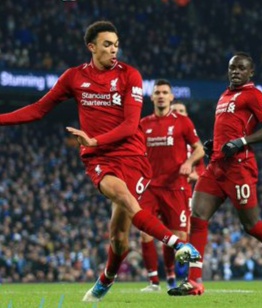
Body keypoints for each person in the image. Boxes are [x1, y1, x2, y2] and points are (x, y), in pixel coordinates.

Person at [0, 21, 200, 302]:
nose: (113, 50)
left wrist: (95, 139)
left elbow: (131, 125)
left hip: (133, 156)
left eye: (116, 44)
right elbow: (38, 109)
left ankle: (107, 277)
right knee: (125, 199)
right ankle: (178, 244)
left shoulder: (130, 75)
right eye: (107, 44)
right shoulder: (74, 78)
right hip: (99, 159)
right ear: (91, 47)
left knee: (119, 238)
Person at [167, 52, 262, 296]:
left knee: (251, 225)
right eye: (232, 67)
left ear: (250, 72)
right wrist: (215, 144)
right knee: (198, 217)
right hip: (216, 166)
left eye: (241, 68)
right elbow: (228, 130)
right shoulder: (225, 95)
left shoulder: (253, 95)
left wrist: (242, 141)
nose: (235, 71)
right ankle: (194, 281)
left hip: (239, 168)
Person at [139, 80, 204, 292]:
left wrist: (188, 163)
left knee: (178, 238)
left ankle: (176, 277)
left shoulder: (182, 122)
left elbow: (199, 149)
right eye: (157, 92)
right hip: (150, 187)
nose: (160, 95)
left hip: (175, 188)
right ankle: (153, 282)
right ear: (151, 97)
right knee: (145, 233)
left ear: (171, 96)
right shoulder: (143, 124)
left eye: (164, 92)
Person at [170, 101, 206, 184]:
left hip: (184, 190)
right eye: (174, 111)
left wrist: (196, 175)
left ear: (186, 114)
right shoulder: (160, 137)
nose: (178, 114)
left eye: (181, 111)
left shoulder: (194, 144)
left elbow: (201, 169)